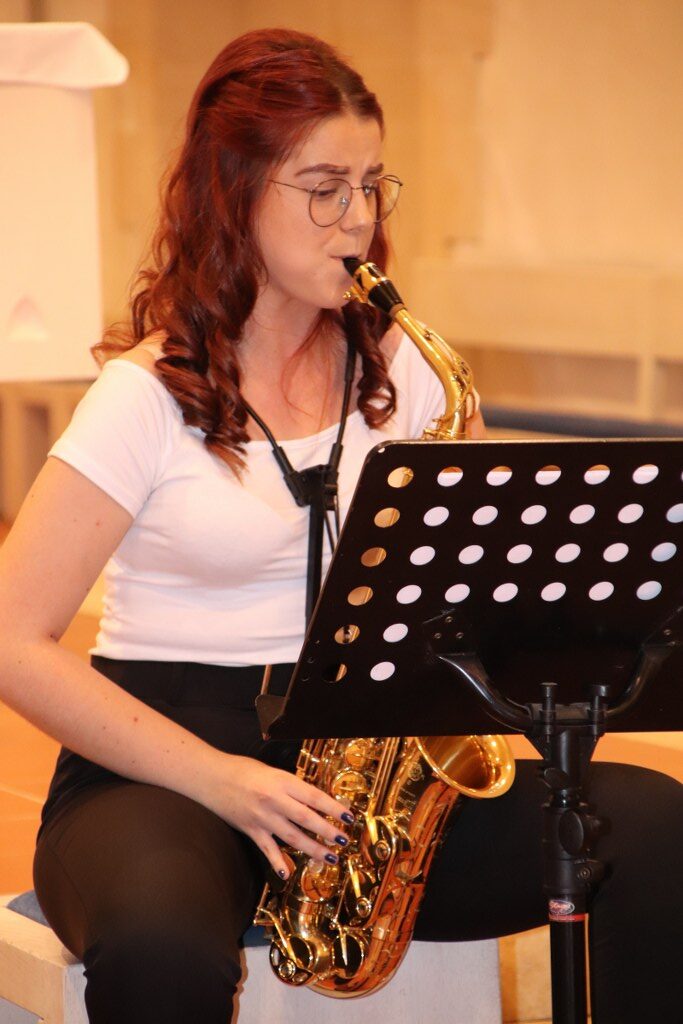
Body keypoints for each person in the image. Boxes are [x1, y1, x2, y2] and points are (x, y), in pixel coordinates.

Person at [0, 28, 680, 1024]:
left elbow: (473, 594)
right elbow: (12, 640)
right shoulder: (143, 395)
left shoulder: (408, 372)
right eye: (323, 188)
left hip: (361, 766)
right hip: (162, 765)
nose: (357, 218)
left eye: (369, 185)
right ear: (232, 193)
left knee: (655, 829)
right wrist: (222, 779)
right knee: (160, 947)